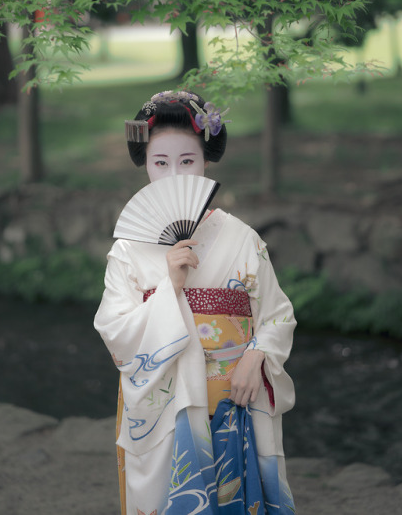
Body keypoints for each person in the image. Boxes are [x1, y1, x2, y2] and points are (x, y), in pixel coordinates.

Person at [94, 90, 296, 514]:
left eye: (187, 161)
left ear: (206, 161)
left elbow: (277, 316)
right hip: (162, 410)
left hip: (235, 401)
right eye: (160, 163)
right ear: (146, 164)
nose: (174, 175)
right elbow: (115, 332)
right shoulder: (129, 249)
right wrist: (169, 285)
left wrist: (256, 355)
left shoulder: (243, 239)